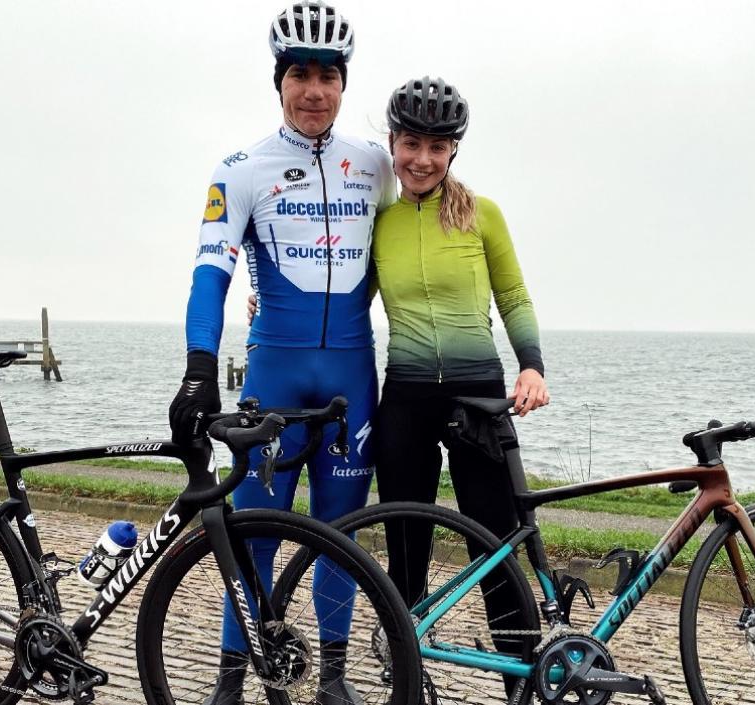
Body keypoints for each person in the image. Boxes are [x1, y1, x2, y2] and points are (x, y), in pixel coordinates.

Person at [167, 3, 395, 704]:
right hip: (274, 380)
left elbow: (424, 228)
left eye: (328, 75)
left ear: (344, 83)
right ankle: (231, 684)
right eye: (300, 74)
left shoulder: (377, 165)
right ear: (279, 81)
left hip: (352, 382)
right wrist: (200, 368)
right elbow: (211, 274)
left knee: (341, 540)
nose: (315, 90)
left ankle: (332, 678)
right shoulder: (241, 170)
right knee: (254, 540)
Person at [375, 76, 549, 686]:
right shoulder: (380, 221)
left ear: (454, 151)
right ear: (392, 142)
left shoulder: (483, 215)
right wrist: (267, 304)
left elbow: (515, 296)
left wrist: (531, 365)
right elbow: (341, 295)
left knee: (497, 551)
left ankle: (519, 684)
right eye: (412, 143)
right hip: (405, 400)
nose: (422, 159)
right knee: (404, 553)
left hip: (479, 396)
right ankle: (408, 680)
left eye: (438, 146)